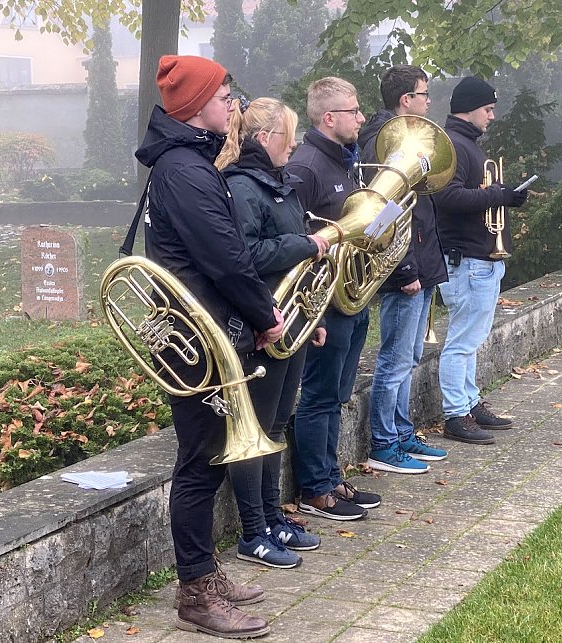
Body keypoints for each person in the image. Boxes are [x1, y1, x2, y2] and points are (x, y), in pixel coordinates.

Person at [134, 55, 284, 639]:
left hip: (202, 332)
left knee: (210, 459)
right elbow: (227, 260)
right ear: (197, 106)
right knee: (199, 464)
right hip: (197, 339)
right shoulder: (186, 171)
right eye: (226, 95)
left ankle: (205, 574)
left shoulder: (186, 163)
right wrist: (265, 316)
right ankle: (197, 594)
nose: (234, 104)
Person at [215, 97, 328, 568]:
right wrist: (306, 243)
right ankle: (252, 530)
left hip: (290, 321)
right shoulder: (242, 187)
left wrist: (312, 319)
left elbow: (291, 260)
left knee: (276, 424)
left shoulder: (280, 183)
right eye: (290, 134)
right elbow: (246, 256)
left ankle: (272, 516)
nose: (296, 143)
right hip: (259, 325)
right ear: (265, 138)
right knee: (254, 430)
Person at [286, 77, 381, 521]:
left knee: (338, 394)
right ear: (329, 118)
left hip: (352, 299)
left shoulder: (344, 162)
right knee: (319, 396)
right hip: (324, 304)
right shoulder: (305, 167)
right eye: (354, 111)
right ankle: (315, 489)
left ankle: (332, 476)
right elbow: (294, 240)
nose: (362, 118)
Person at [357, 65, 449, 474]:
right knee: (394, 359)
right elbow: (387, 214)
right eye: (424, 94)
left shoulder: (407, 137)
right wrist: (406, 270)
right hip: (404, 267)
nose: (429, 102)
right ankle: (383, 442)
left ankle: (401, 431)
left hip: (421, 261)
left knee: (409, 356)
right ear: (405, 100)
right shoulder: (384, 143)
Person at [433, 76, 529, 445]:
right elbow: (449, 198)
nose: (491, 116)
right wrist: (497, 195)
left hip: (480, 258)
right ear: (469, 108)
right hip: (467, 260)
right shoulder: (454, 145)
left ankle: (470, 403)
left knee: (470, 340)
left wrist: (502, 195)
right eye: (487, 109)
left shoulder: (467, 144)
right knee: (460, 341)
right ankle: (455, 413)